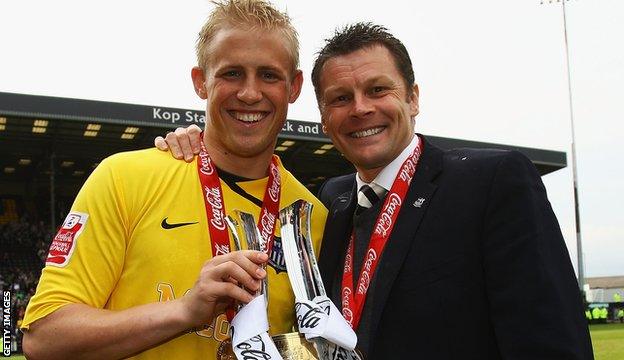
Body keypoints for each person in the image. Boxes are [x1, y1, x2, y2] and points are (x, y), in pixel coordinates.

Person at [161, 22, 594, 359]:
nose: (361, 108)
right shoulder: (326, 202)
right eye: (340, 98)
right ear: (324, 118)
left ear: (413, 98)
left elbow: (552, 345)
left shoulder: (492, 182)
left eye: (377, 89)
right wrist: (196, 145)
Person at [20, 1, 327, 359]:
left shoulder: (311, 217)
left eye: (269, 75)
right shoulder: (124, 178)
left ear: (294, 87)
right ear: (201, 82)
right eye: (231, 73)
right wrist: (184, 311)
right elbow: (43, 340)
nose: (249, 93)